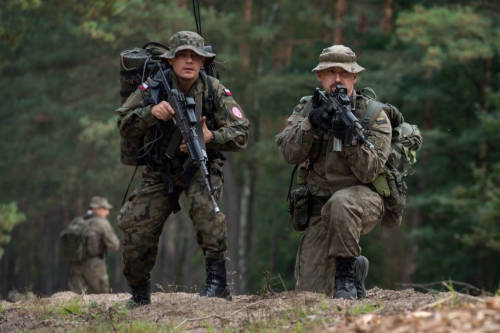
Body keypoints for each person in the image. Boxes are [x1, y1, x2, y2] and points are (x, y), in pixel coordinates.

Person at [116, 30, 250, 305]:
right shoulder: (153, 86)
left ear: (203, 61)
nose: (188, 61)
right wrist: (149, 114)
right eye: (182, 56)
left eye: (195, 56)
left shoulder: (213, 89)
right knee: (136, 226)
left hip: (200, 165)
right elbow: (123, 125)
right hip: (159, 170)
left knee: (208, 212)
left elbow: (241, 133)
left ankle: (218, 284)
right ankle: (139, 293)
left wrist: (211, 137)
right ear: (170, 61)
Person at [276, 45, 401, 299]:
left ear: (354, 77)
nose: (337, 79)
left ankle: (346, 277)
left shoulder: (373, 116)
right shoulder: (307, 109)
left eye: (343, 73)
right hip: (320, 207)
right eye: (330, 72)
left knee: (341, 204)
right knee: (309, 294)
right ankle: (356, 267)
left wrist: (349, 140)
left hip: (362, 200)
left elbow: (370, 171)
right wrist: (311, 125)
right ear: (319, 76)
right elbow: (288, 153)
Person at [68, 196, 120, 294]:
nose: (107, 212)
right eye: (105, 209)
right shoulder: (102, 223)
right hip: (95, 266)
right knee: (102, 298)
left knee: (76, 299)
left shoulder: (77, 221)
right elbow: (114, 245)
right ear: (96, 208)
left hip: (75, 265)